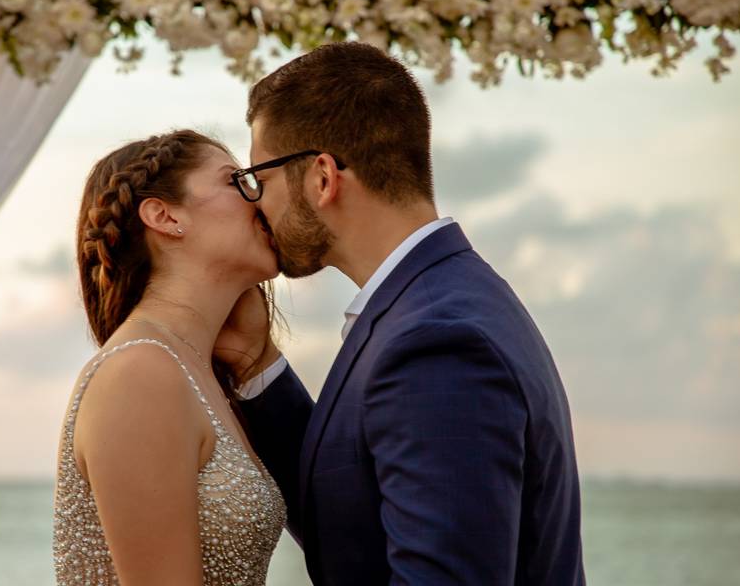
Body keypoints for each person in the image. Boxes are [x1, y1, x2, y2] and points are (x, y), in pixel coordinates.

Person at [216, 42, 586, 585]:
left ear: (323, 178)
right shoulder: (439, 300)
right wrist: (255, 361)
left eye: (259, 179)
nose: (256, 206)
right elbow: (353, 505)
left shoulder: (438, 342)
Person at [52, 130, 287, 585]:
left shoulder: (195, 371)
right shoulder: (140, 374)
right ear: (165, 216)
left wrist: (255, 356)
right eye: (236, 180)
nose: (260, 199)